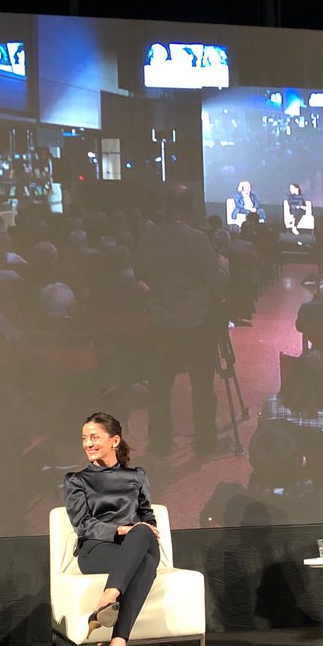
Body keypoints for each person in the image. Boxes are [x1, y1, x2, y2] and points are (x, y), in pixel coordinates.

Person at [64, 413, 159, 646]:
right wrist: (120, 530)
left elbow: (147, 515)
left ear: (114, 440)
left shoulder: (136, 475)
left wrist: (143, 530)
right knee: (147, 564)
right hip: (96, 550)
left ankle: (109, 601)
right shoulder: (77, 480)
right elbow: (82, 526)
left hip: (136, 544)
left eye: (95, 437)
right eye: (84, 438)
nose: (88, 444)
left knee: (143, 531)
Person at [134, 183, 227, 456]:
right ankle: (206, 442)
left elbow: (139, 273)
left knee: (160, 387)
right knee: (201, 386)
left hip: (161, 323)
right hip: (197, 323)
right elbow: (216, 283)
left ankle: (161, 441)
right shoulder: (197, 239)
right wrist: (223, 266)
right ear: (190, 208)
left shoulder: (149, 236)